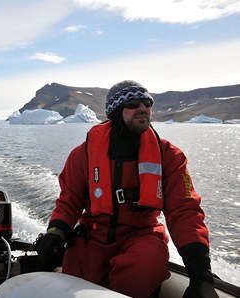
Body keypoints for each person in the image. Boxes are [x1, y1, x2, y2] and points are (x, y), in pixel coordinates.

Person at [35, 80, 218, 298]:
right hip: (93, 236)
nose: (142, 107)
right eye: (133, 103)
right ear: (116, 111)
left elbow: (185, 211)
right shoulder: (82, 154)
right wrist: (55, 235)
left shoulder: (169, 156)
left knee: (143, 266)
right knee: (78, 279)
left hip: (142, 235)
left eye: (147, 102)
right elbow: (69, 201)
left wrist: (200, 271)